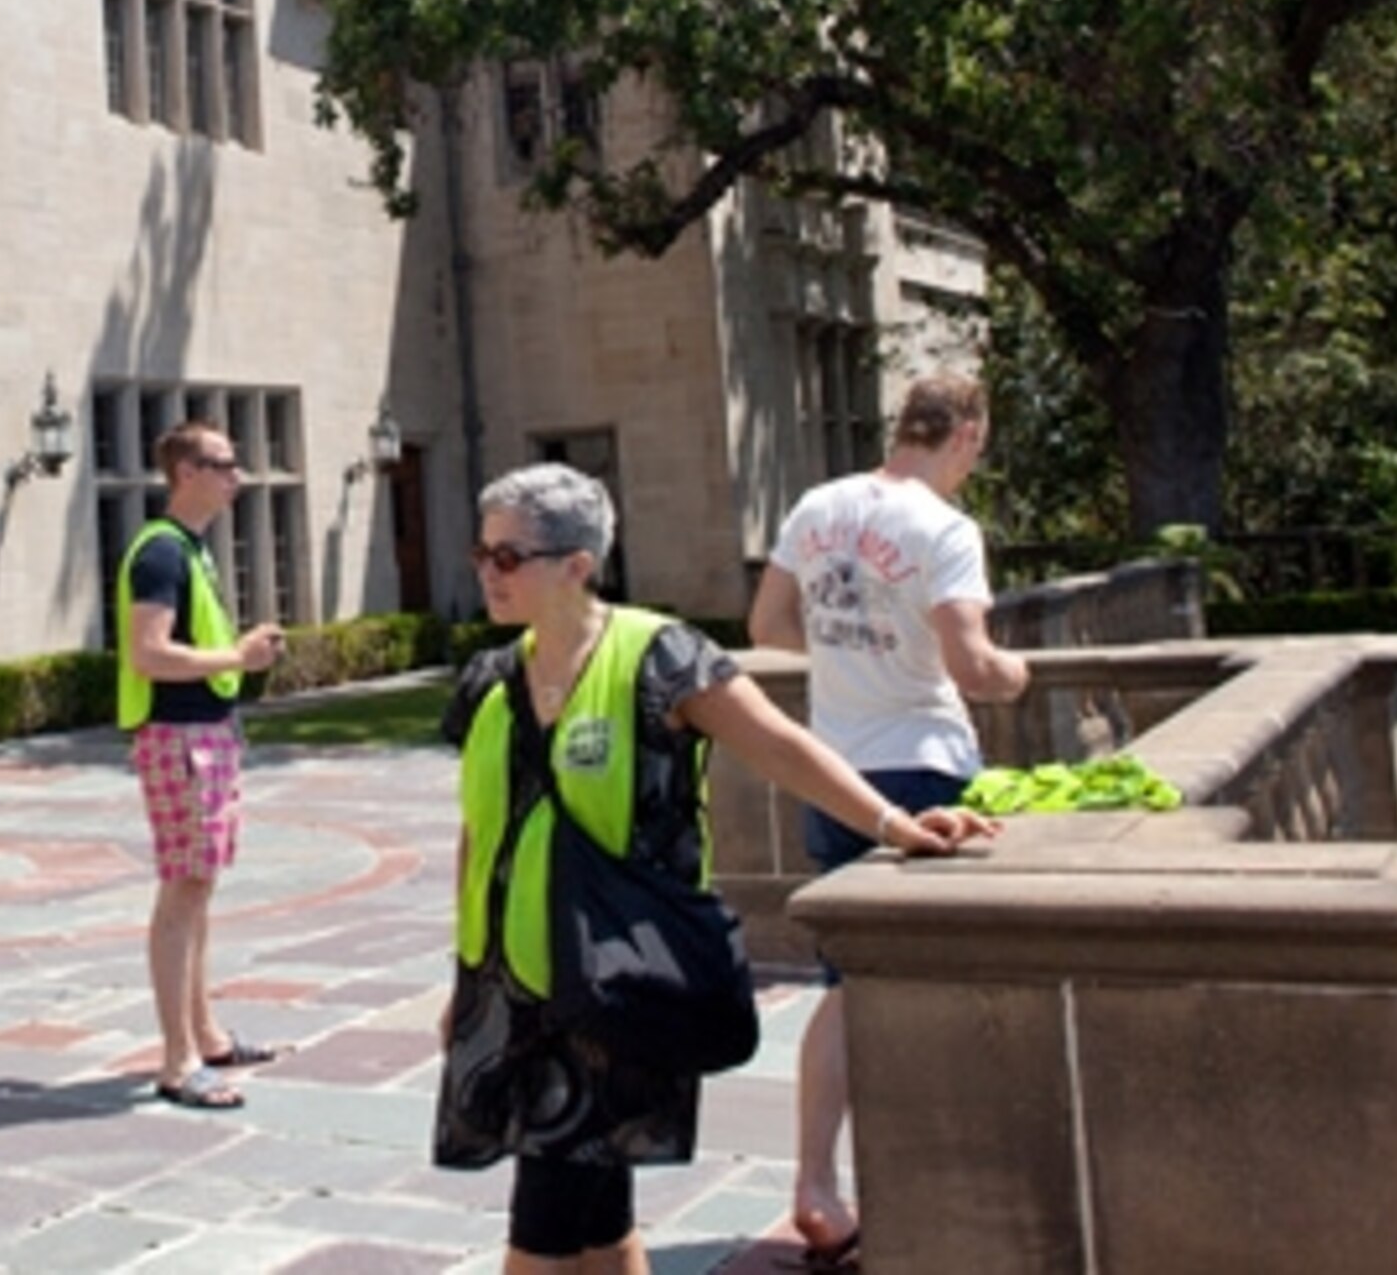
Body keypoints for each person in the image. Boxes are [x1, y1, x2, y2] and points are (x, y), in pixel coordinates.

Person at [440, 462, 996, 1275]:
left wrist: (894, 822)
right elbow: (478, 833)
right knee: (595, 1210)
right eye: (483, 553)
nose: (489, 572)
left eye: (508, 556)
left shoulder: (660, 657)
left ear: (577, 564)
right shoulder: (489, 682)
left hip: (613, 974)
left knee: (546, 1220)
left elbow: (780, 745)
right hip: (515, 982)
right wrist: (465, 979)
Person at [748, 372, 1033, 1265]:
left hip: (835, 769)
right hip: (926, 768)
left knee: (843, 982)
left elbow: (768, 623)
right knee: (942, 977)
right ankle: (941, 1178)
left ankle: (815, 1181)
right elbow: (974, 663)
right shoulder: (944, 529)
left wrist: (846, 654)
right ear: (966, 436)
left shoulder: (817, 506)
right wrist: (1019, 674)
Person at [115, 418, 288, 1109]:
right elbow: (147, 653)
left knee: (200, 887)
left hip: (206, 731)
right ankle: (177, 1059)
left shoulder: (192, 550)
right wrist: (237, 658)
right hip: (177, 735)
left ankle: (206, 1034)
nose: (237, 475)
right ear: (186, 472)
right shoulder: (160, 552)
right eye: (222, 462)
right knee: (183, 891)